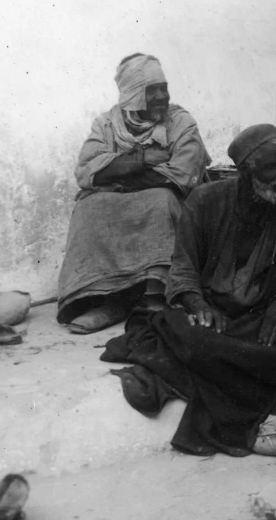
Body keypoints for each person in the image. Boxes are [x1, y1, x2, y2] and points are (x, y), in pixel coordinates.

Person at [101, 125, 276, 460]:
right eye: (270, 169)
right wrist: (197, 303)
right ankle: (266, 418)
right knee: (186, 334)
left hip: (260, 318)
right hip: (213, 319)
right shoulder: (205, 201)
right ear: (245, 172)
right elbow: (183, 268)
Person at [58, 53, 211, 333]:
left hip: (170, 197)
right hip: (131, 191)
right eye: (152, 90)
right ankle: (108, 299)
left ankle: (156, 297)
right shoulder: (106, 125)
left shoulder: (180, 122)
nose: (162, 96)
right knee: (89, 207)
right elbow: (86, 173)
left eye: (163, 87)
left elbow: (181, 174)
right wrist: (140, 160)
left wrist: (118, 172)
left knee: (160, 200)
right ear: (132, 94)